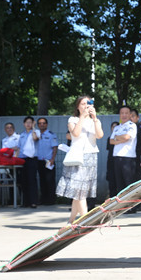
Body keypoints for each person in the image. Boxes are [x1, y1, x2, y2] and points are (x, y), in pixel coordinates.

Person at [56, 96, 104, 224]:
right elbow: (75, 134)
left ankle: (71, 221)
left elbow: (99, 135)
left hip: (91, 156)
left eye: (88, 103)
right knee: (79, 191)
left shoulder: (96, 121)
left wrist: (94, 119)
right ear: (78, 106)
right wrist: (82, 117)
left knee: (80, 191)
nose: (85, 106)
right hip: (77, 156)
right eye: (83, 104)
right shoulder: (73, 119)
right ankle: (86, 221)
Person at [110, 106, 138, 214]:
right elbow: (111, 141)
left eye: (126, 113)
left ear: (130, 115)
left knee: (129, 183)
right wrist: (119, 138)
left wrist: (118, 138)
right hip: (117, 157)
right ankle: (121, 207)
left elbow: (127, 138)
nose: (124, 115)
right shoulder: (117, 127)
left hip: (128, 158)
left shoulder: (132, 126)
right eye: (122, 113)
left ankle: (131, 206)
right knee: (119, 183)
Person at [35, 118, 58, 205]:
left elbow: (55, 147)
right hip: (39, 161)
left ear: (47, 124)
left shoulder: (51, 135)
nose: (42, 125)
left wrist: (53, 159)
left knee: (50, 181)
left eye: (43, 123)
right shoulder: (36, 135)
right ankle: (43, 199)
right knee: (42, 180)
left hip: (48, 161)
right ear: (38, 125)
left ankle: (51, 200)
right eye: (40, 123)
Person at [17, 116, 39, 208]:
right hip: (22, 159)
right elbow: (18, 148)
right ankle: (25, 202)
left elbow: (35, 138)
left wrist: (34, 127)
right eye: (27, 122)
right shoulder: (21, 135)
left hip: (31, 159)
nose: (28, 124)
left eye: (30, 122)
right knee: (23, 181)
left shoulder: (35, 132)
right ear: (24, 124)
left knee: (31, 180)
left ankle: (33, 202)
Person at [106, 121, 119, 198]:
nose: (114, 128)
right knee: (111, 183)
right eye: (113, 127)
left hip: (119, 162)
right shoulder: (109, 139)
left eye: (116, 127)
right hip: (111, 162)